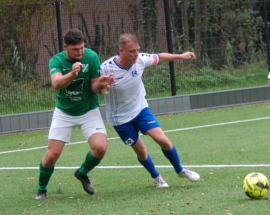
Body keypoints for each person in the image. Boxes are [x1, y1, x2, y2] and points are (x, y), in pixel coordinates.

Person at [100, 33, 200, 188]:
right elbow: (98, 88)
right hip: (120, 118)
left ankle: (180, 170)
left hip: (140, 109)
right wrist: (104, 88)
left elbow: (160, 57)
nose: (135, 54)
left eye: (137, 50)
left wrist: (181, 56)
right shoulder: (106, 68)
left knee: (163, 140)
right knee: (141, 150)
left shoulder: (140, 60)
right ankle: (156, 177)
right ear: (121, 51)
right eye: (131, 51)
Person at [34, 28, 115, 200]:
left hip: (88, 110)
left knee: (100, 148)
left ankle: (82, 172)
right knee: (52, 155)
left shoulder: (91, 57)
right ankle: (42, 189)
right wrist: (72, 73)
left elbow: (93, 86)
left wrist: (102, 84)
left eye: (82, 48)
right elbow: (56, 84)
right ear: (65, 47)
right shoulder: (56, 61)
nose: (80, 52)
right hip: (64, 112)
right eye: (75, 49)